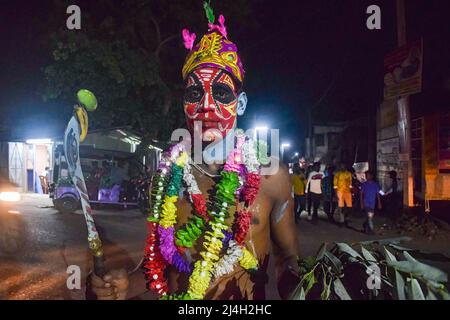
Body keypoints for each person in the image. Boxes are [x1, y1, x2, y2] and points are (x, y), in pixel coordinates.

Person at [89, 11, 300, 300]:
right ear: (184, 103)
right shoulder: (166, 178)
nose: (206, 106)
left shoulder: (271, 176)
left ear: (241, 104)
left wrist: (310, 288)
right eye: (194, 94)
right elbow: (157, 265)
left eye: (222, 94)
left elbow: (288, 261)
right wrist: (125, 285)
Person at [333, 163, 353, 227]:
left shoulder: (349, 174)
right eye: (341, 166)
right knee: (341, 207)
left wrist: (351, 192)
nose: (342, 167)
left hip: (347, 192)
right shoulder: (337, 174)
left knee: (348, 207)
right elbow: (335, 185)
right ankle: (342, 221)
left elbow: (350, 183)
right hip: (340, 192)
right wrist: (336, 194)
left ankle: (345, 219)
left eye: (343, 166)